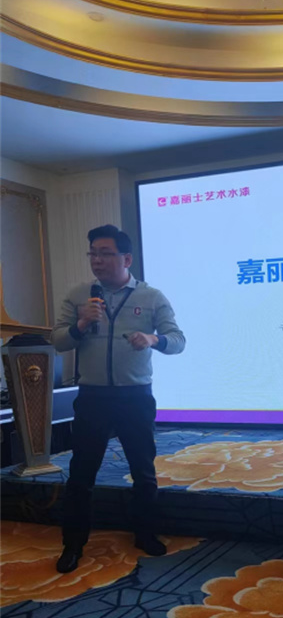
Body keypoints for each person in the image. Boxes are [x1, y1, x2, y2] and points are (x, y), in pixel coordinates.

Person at [52, 224, 185, 573]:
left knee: (143, 470)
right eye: (93, 253)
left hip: (134, 397)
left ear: (126, 259)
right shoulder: (79, 295)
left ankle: (145, 533)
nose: (97, 260)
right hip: (92, 397)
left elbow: (178, 340)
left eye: (105, 253)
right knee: (81, 474)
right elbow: (58, 340)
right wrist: (81, 324)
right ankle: (73, 544)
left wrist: (153, 340)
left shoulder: (151, 296)